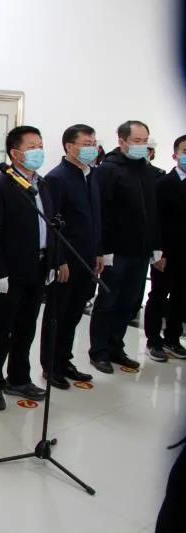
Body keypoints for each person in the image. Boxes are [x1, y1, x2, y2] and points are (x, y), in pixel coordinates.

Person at [0, 125, 57, 411]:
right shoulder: (1, 185)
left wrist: (52, 261)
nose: (38, 151)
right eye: (32, 147)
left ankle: (19, 378)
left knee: (26, 326)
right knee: (0, 330)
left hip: (37, 267)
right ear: (15, 153)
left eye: (40, 145)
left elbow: (50, 226)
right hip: (10, 271)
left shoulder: (42, 184)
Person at [88, 120, 163, 374]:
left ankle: (115, 347)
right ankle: (99, 351)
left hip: (140, 251)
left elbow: (152, 210)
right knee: (108, 301)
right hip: (115, 251)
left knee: (129, 302)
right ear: (122, 141)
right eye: (137, 141)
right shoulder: (108, 170)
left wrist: (155, 245)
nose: (142, 146)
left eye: (145, 141)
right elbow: (101, 213)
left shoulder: (146, 169)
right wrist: (102, 249)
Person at [39, 124, 102, 389]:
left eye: (94, 143)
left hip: (88, 258)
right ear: (69, 146)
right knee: (58, 314)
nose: (92, 148)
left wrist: (99, 252)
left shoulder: (92, 175)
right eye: (86, 144)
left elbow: (96, 218)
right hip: (66, 260)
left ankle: (65, 360)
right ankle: (50, 365)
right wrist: (59, 260)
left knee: (74, 313)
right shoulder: (56, 178)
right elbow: (51, 225)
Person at [144, 134, 186, 362]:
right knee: (159, 295)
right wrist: (157, 252)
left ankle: (173, 338)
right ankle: (153, 340)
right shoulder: (162, 184)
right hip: (166, 252)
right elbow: (154, 221)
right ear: (175, 155)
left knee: (181, 297)